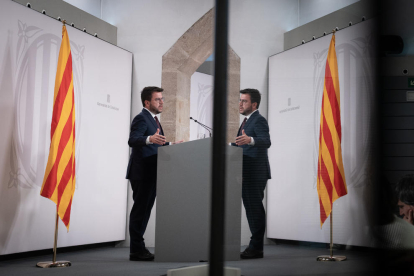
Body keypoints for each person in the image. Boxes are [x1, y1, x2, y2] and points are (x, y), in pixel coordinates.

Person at [126, 86, 182, 261]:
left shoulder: (154, 120)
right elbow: (133, 140)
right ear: (147, 102)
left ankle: (139, 248)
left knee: (145, 211)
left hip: (152, 171)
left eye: (162, 99)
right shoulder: (141, 118)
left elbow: (155, 145)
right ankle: (136, 250)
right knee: (140, 211)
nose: (162, 102)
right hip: (142, 172)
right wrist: (149, 139)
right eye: (158, 99)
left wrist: (170, 145)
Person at [235, 88, 271, 259]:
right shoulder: (246, 121)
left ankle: (256, 248)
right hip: (246, 171)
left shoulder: (258, 120)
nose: (240, 104)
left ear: (254, 104)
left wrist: (250, 140)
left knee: (254, 209)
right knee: (251, 209)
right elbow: (242, 145)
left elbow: (266, 141)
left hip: (255, 172)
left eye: (244, 101)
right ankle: (255, 246)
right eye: (240, 100)